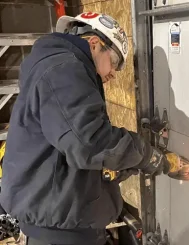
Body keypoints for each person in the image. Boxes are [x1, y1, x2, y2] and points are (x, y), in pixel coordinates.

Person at [0, 12, 169, 245]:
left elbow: (71, 141)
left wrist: (116, 167)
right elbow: (90, 142)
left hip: (57, 222)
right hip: (60, 233)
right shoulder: (64, 69)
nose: (113, 73)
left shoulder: (56, 65)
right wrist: (147, 155)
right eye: (115, 62)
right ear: (94, 43)